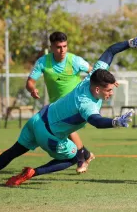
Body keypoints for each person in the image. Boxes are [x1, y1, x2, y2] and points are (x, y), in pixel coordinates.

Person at [0, 32, 137, 186]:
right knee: (75, 158)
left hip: (37, 118)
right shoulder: (86, 103)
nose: (111, 93)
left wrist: (130, 43)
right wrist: (115, 122)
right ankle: (33, 172)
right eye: (108, 90)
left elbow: (110, 51)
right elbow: (96, 121)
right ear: (97, 90)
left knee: (15, 150)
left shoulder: (94, 75)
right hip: (49, 135)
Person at [25, 31, 96, 174]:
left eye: (65, 46)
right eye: (58, 47)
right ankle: (87, 155)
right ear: (51, 47)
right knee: (64, 130)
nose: (62, 50)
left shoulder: (75, 60)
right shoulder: (43, 62)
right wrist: (32, 89)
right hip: (57, 106)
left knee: (69, 129)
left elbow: (94, 72)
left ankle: (81, 159)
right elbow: (30, 82)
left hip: (77, 103)